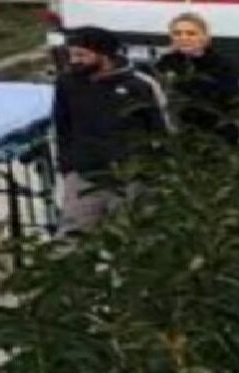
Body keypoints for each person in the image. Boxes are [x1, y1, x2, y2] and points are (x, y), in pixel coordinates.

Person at [53, 27, 167, 231]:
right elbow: (62, 127)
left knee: (128, 240)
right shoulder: (66, 83)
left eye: (81, 55)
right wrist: (68, 168)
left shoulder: (139, 85)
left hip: (129, 180)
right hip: (84, 178)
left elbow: (160, 130)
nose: (74, 60)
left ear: (104, 55)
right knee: (69, 243)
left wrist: (152, 173)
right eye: (72, 54)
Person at [155, 11, 239, 145]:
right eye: (177, 33)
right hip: (176, 135)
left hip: (214, 135)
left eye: (191, 33)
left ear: (205, 37)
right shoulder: (164, 63)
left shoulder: (221, 65)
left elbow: (228, 100)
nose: (184, 38)